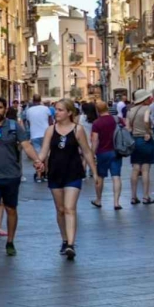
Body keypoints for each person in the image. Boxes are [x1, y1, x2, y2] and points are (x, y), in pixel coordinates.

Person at [0, 95, 42, 260]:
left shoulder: (14, 127)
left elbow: (26, 144)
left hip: (11, 176)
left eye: (0, 107)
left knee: (11, 209)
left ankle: (10, 242)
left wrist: (37, 160)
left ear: (5, 109)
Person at [42, 98, 93, 261]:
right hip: (55, 173)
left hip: (73, 172)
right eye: (56, 109)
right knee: (60, 209)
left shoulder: (78, 129)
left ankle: (71, 243)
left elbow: (86, 151)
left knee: (70, 208)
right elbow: (44, 152)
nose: (56, 112)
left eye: (60, 110)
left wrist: (95, 172)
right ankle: (64, 239)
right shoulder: (50, 130)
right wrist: (38, 161)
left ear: (69, 112)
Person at [126, 88, 154, 205]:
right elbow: (146, 120)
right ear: (144, 99)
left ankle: (133, 197)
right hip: (145, 140)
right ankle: (146, 196)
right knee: (145, 169)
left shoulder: (130, 111)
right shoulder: (147, 109)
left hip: (134, 140)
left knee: (135, 169)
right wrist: (148, 131)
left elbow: (127, 127)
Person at [90, 99, 123, 210]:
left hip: (102, 152)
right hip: (116, 151)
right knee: (116, 177)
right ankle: (116, 202)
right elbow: (127, 128)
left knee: (100, 177)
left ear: (97, 110)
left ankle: (98, 200)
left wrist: (92, 153)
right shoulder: (116, 119)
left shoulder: (97, 123)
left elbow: (95, 140)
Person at [23, 95, 53, 182]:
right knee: (47, 155)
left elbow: (28, 122)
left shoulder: (29, 110)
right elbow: (50, 121)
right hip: (46, 133)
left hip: (34, 134)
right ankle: (47, 174)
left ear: (33, 100)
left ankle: (39, 176)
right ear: (40, 100)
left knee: (37, 156)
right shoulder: (46, 109)